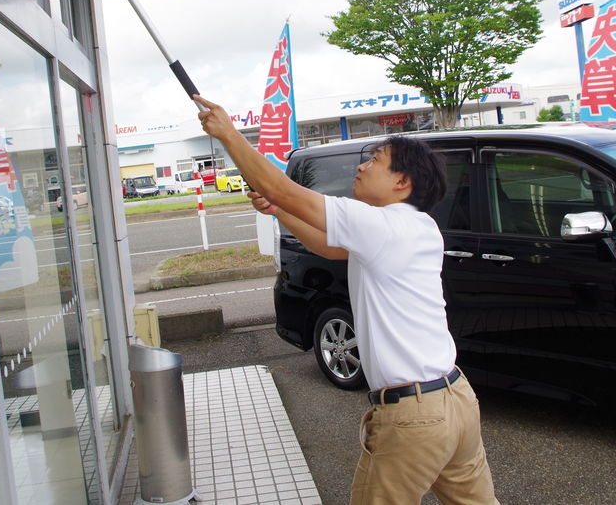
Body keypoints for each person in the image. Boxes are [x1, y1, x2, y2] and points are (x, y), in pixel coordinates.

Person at [194, 95, 500, 505]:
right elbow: (329, 247)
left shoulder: (381, 225)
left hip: (415, 415)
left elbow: (280, 186)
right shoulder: (418, 227)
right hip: (456, 400)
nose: (361, 165)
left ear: (401, 182)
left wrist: (229, 135)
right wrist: (278, 211)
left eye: (374, 161)